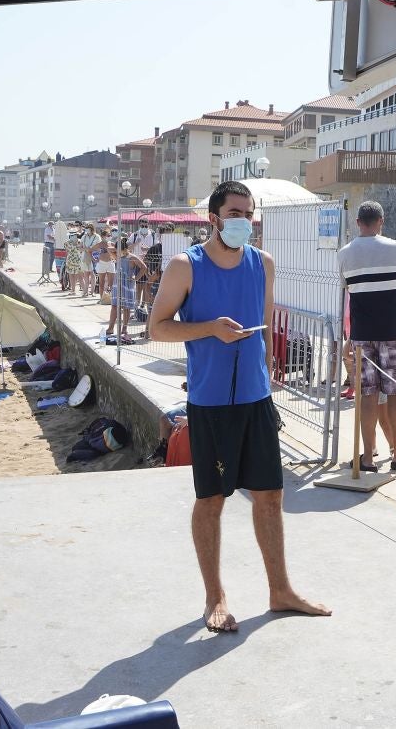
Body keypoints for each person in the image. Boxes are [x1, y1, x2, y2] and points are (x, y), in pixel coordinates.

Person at [148, 180, 329, 632]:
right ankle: (215, 596)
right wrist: (210, 328)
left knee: (270, 496)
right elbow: (157, 328)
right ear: (213, 218)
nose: (243, 221)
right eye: (234, 213)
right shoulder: (183, 267)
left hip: (257, 398)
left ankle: (280, 590)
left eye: (248, 213)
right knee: (210, 500)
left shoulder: (263, 264)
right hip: (210, 401)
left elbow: (264, 330)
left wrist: (271, 385)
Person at [336, 201, 396, 471]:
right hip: (394, 330)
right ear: (381, 221)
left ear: (358, 222)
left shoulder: (345, 253)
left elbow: (349, 288)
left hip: (362, 334)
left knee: (367, 395)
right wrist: (391, 293)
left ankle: (368, 458)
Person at [106, 236, 149, 342]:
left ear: (124, 249)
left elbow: (144, 267)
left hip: (128, 285)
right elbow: (108, 248)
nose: (116, 251)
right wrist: (118, 245)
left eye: (119, 249)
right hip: (118, 284)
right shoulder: (117, 256)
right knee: (114, 305)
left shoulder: (132, 257)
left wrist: (136, 277)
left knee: (126, 307)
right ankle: (110, 327)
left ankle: (124, 329)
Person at [64, 230, 87, 296]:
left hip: (79, 261)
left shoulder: (80, 242)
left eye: (73, 235)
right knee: (71, 276)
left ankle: (85, 291)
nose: (71, 236)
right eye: (70, 235)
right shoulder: (67, 243)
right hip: (70, 261)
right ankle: (73, 290)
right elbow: (67, 252)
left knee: (80, 277)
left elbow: (83, 250)